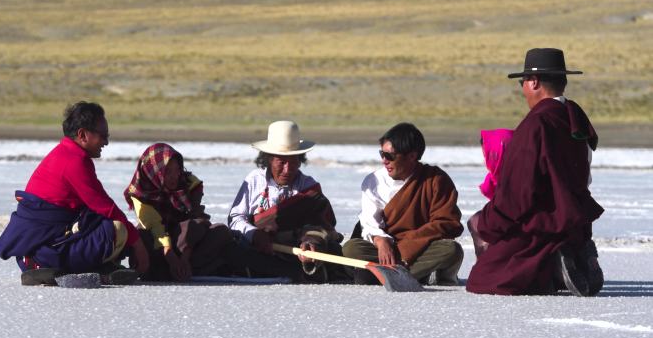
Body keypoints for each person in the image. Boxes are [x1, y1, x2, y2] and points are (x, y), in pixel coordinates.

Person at [466, 48, 604, 296]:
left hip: (542, 225)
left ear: (534, 82)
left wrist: (488, 224)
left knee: (484, 280)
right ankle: (569, 254)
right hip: (575, 223)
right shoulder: (575, 117)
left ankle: (552, 268)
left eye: (522, 82)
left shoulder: (536, 124)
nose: (522, 89)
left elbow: (518, 194)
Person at [0, 101, 149, 285]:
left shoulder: (67, 153)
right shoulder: (73, 161)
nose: (106, 142)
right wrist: (137, 244)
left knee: (102, 223)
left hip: (48, 240)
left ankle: (95, 265)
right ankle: (46, 264)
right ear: (83, 134)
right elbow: (105, 207)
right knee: (118, 230)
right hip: (44, 249)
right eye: (103, 135)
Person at [343, 122, 464, 286]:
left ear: (412, 156)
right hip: (384, 249)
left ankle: (381, 274)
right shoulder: (374, 181)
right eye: (382, 154)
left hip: (420, 248)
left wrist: (408, 247)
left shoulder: (435, 180)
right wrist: (381, 241)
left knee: (452, 250)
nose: (384, 161)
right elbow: (369, 222)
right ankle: (410, 273)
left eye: (390, 156)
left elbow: (447, 223)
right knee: (351, 248)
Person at [228, 120, 344, 282]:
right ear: (269, 159)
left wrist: (310, 242)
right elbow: (235, 219)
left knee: (331, 252)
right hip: (259, 249)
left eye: (293, 161)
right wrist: (255, 234)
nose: (287, 170)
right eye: (281, 162)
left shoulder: (310, 188)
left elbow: (321, 224)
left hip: (295, 252)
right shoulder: (254, 180)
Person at [124, 143, 235, 281]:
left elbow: (197, 219)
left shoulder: (189, 185)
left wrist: (184, 258)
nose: (175, 176)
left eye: (177, 170)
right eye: (168, 172)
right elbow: (156, 228)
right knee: (142, 236)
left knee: (220, 231)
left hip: (186, 243)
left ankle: (182, 269)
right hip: (160, 245)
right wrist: (172, 259)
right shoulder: (141, 192)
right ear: (155, 171)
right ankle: (176, 270)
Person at [467, 128, 514, 258]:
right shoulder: (495, 179)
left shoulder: (517, 180)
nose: (486, 159)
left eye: (490, 154)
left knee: (479, 223)